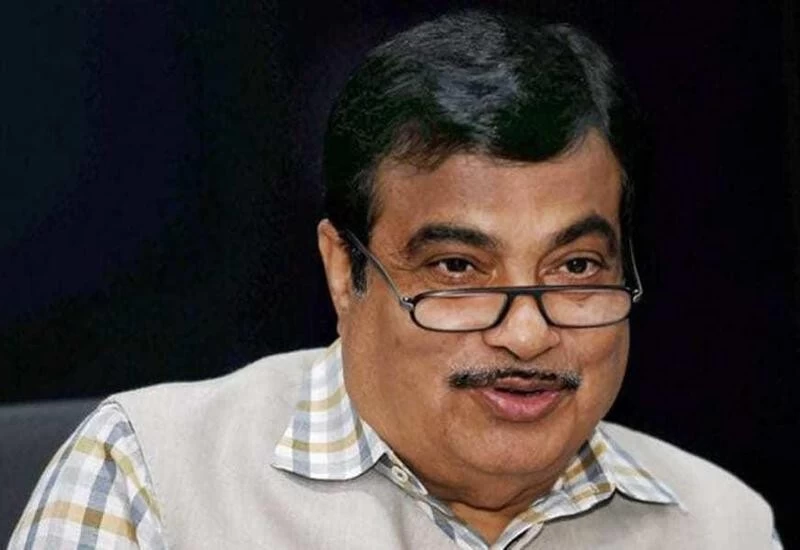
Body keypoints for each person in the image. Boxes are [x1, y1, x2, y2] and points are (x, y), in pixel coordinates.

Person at [9, 10, 779, 549]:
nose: (527, 333)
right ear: (343, 271)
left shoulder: (722, 526)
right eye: (458, 270)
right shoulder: (153, 478)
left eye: (575, 267)